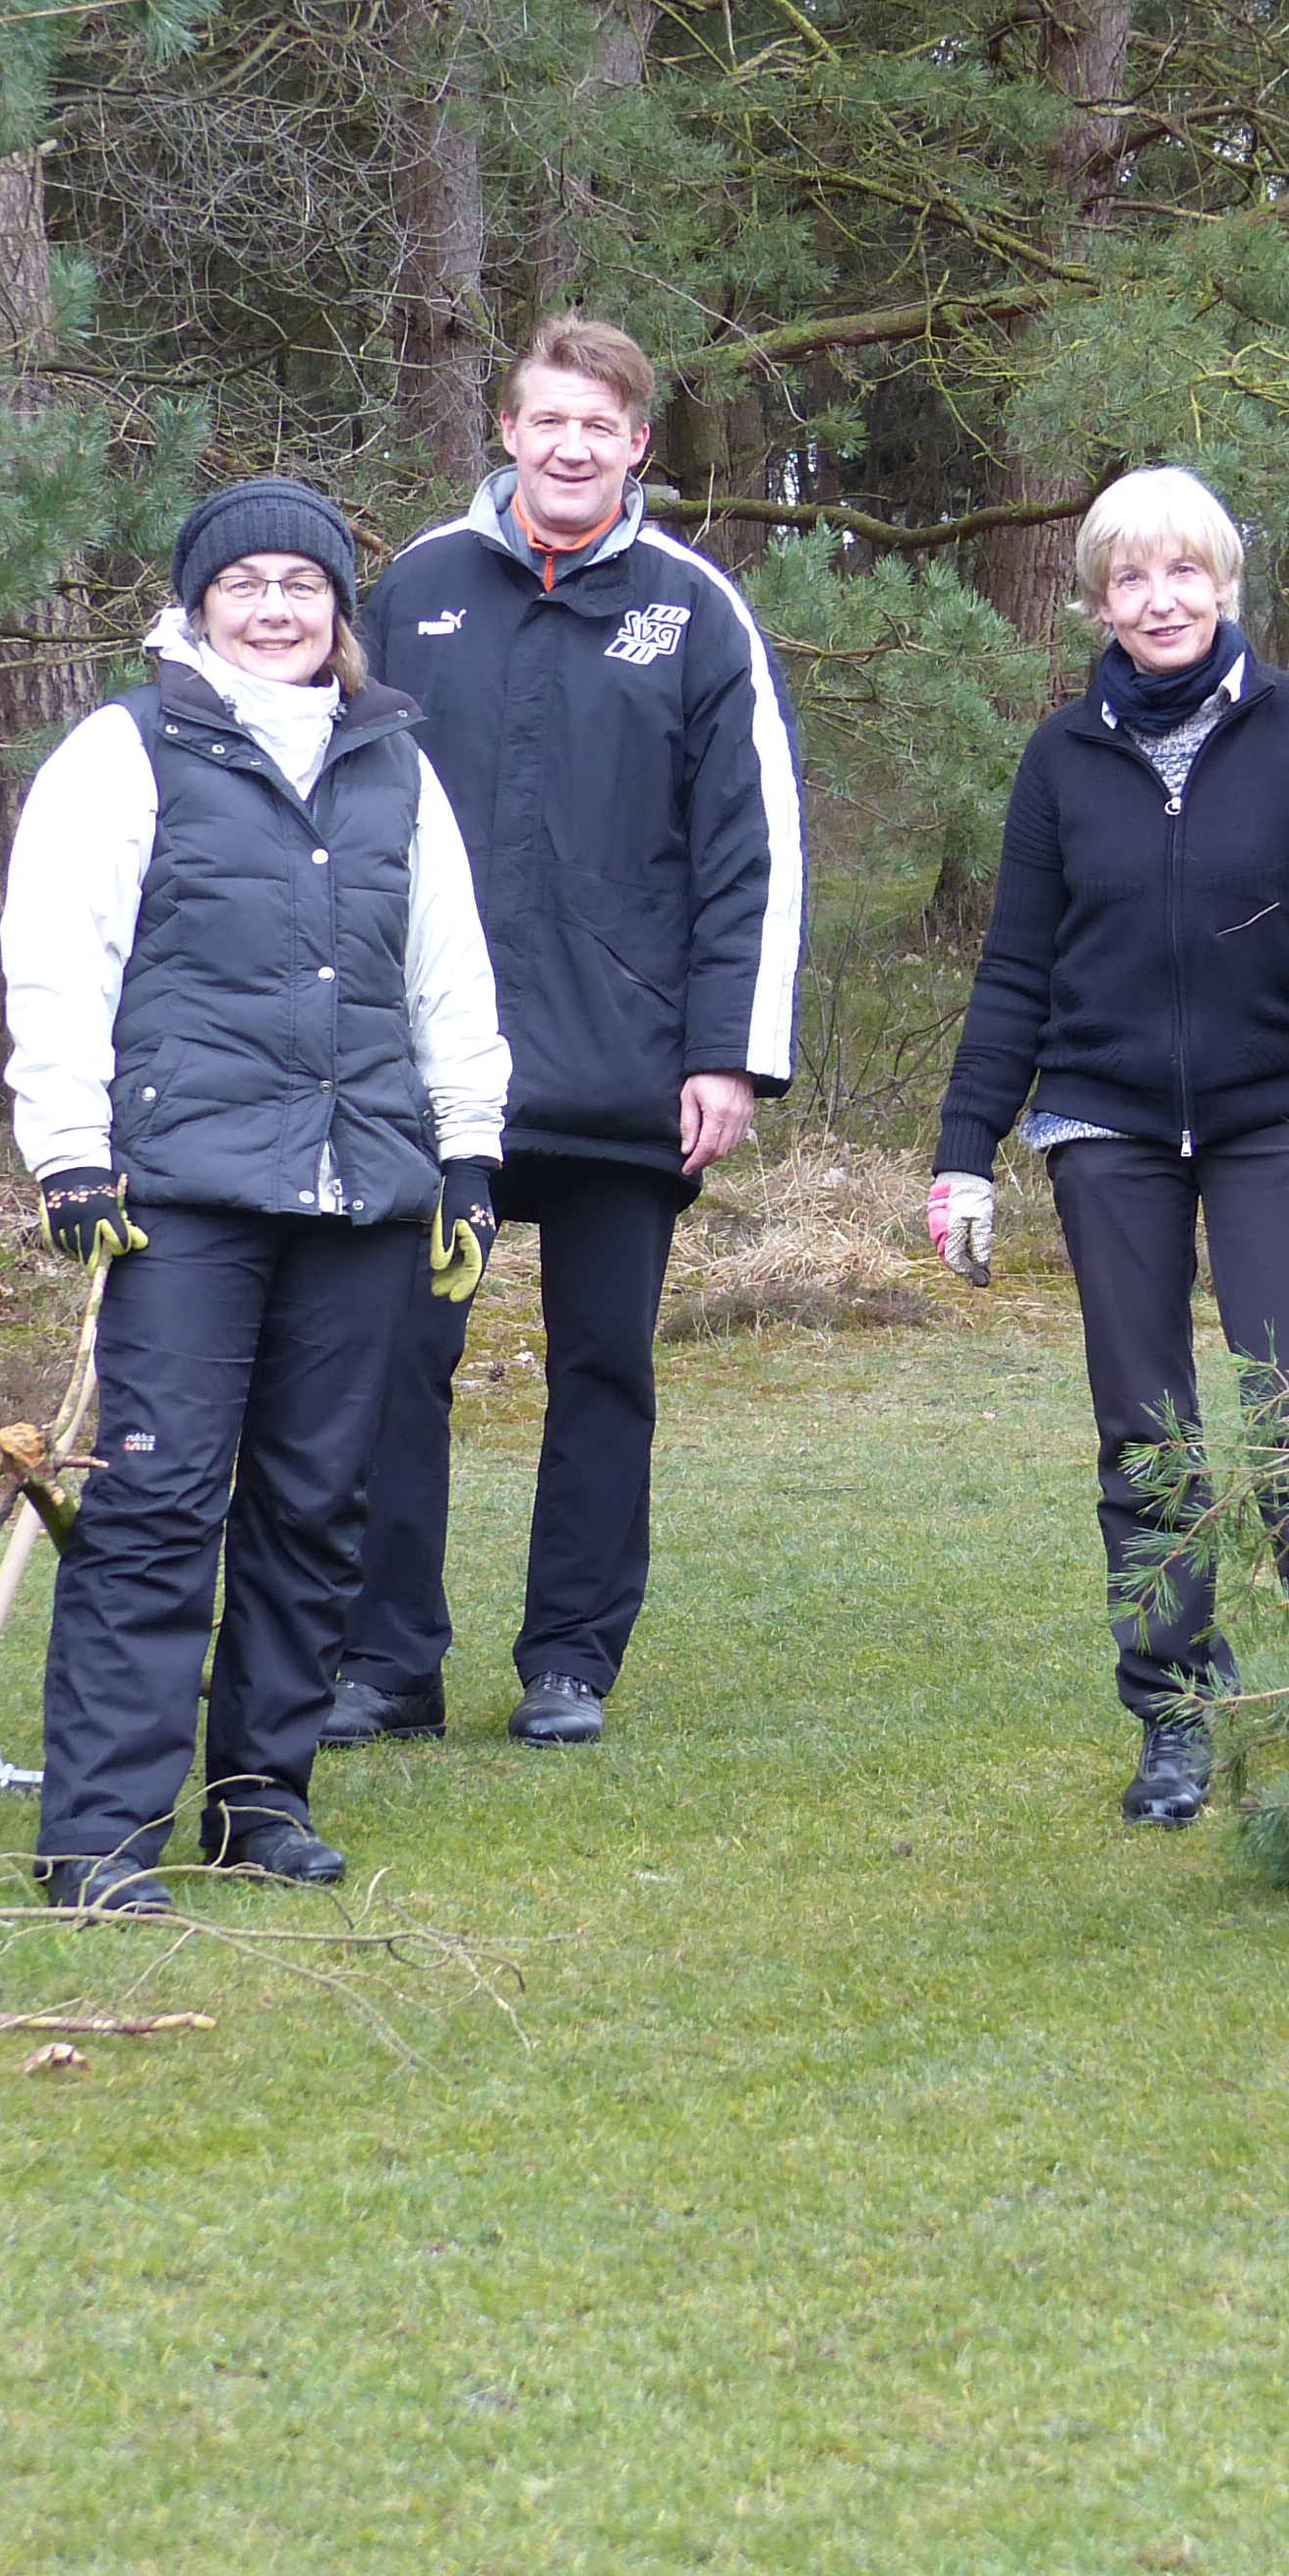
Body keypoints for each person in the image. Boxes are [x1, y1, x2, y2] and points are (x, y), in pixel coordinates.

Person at [0, 479, 511, 1914]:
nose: (275, 609)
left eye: (303, 585)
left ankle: (260, 1801)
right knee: (159, 1500)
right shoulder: (126, 750)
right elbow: (59, 952)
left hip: (361, 1191)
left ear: (339, 608)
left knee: (313, 1505)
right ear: (198, 604)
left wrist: (468, 1156)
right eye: (246, 584)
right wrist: (68, 1148)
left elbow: (448, 975)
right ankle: (101, 1835)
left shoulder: (393, 762)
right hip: (184, 1193)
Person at [925, 466, 1289, 1826]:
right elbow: (1014, 970)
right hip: (1106, 1120)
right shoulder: (1059, 759)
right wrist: (964, 1149)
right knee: (1147, 1431)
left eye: (1184, 571)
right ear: (1098, 601)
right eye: (1131, 578)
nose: (1160, 599)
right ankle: (1177, 1714)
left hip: (1276, 1109)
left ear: (1225, 584)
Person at [341, 318, 805, 1750]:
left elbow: (753, 847)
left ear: (638, 445)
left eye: (599, 426)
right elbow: (341, 812)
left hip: (627, 1073)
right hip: (435, 1079)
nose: (571, 446)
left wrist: (729, 1052)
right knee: (395, 1367)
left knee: (602, 1369)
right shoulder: (417, 587)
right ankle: (385, 1662)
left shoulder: (696, 609)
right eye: (548, 420)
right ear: (507, 431)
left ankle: (569, 1661)